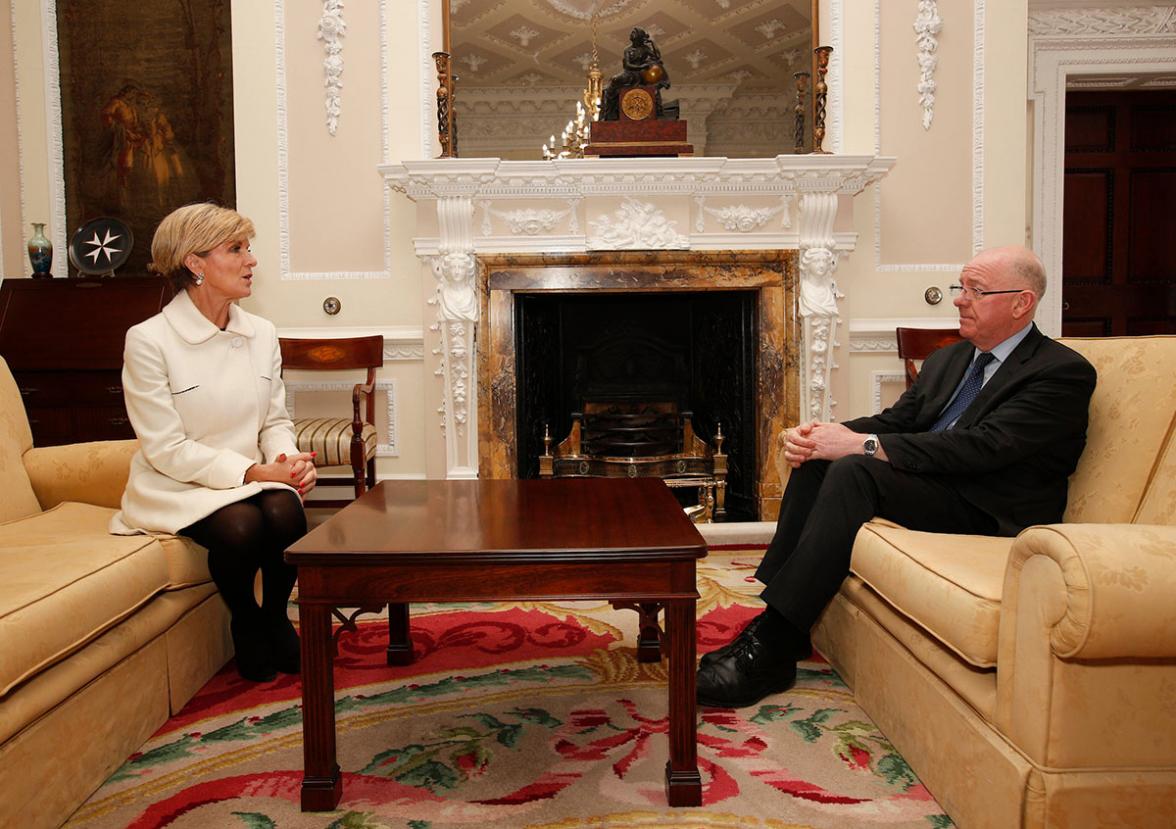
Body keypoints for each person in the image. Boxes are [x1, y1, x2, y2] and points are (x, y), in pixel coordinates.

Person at [697, 245, 1097, 708]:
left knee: (854, 471)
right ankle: (777, 622)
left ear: (1021, 302)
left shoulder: (1060, 372)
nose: (959, 299)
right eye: (960, 288)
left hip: (989, 506)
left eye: (975, 291)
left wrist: (856, 447)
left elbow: (983, 447)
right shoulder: (952, 358)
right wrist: (829, 435)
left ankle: (774, 644)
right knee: (823, 460)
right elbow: (898, 420)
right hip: (936, 486)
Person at [110, 203, 317, 682]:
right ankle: (248, 620)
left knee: (286, 510)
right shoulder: (149, 340)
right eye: (236, 249)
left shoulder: (260, 332)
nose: (252, 260)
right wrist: (251, 473)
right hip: (180, 483)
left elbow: (274, 418)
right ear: (195, 263)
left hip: (253, 475)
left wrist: (286, 461)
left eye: (249, 248)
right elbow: (164, 448)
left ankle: (272, 619)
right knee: (242, 526)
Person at [600, 27, 671, 121]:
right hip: (630, 73)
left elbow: (657, 56)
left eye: (634, 32)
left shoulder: (645, 49)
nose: (631, 34)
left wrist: (652, 43)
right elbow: (628, 65)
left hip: (641, 74)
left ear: (639, 37)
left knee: (655, 67)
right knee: (613, 81)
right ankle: (608, 113)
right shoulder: (628, 49)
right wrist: (641, 67)